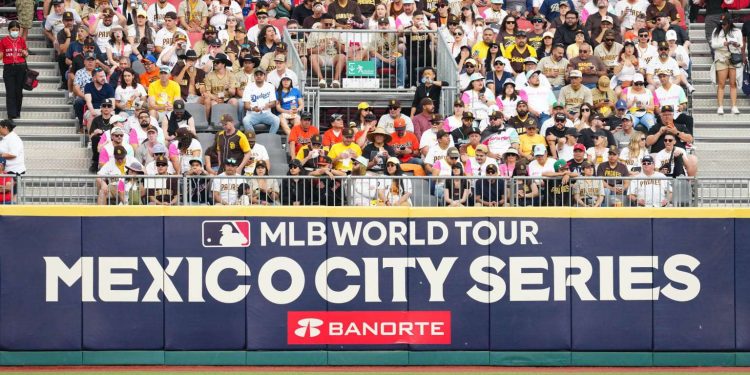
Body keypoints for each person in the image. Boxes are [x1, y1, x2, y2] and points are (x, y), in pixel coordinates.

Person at [711, 14, 743, 115]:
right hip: (721, 58)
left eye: (725, 24)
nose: (723, 25)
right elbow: (713, 45)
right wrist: (723, 44)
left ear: (729, 23)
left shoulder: (737, 31)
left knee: (733, 83)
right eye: (722, 24)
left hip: (733, 58)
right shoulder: (716, 31)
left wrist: (736, 44)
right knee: (721, 83)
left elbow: (741, 44)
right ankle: (720, 106)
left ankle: (734, 106)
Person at [0, 21, 28, 120]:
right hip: (9, 68)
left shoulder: (21, 40)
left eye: (17, 30)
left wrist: (25, 53)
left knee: (18, 91)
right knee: (10, 91)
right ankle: (11, 113)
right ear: (9, 30)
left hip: (20, 67)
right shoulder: (3, 41)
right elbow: (1, 54)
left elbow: (25, 52)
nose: (15, 31)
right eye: (13, 30)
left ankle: (17, 111)